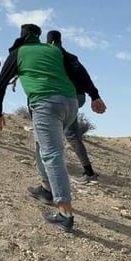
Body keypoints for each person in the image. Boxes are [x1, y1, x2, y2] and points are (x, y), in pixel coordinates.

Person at [0, 24, 81, 233]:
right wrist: (94, 95)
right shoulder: (53, 50)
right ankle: (46, 190)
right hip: (71, 103)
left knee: (51, 154)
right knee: (42, 145)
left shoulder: (19, 52)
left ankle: (65, 213)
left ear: (21, 37)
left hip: (46, 103)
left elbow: (1, 82)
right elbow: (78, 69)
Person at [46, 30, 106, 184]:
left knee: (65, 132)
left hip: (65, 96)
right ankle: (87, 171)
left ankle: (88, 172)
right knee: (67, 131)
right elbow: (84, 75)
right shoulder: (71, 57)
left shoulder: (51, 56)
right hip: (79, 97)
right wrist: (95, 96)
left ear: (50, 42)